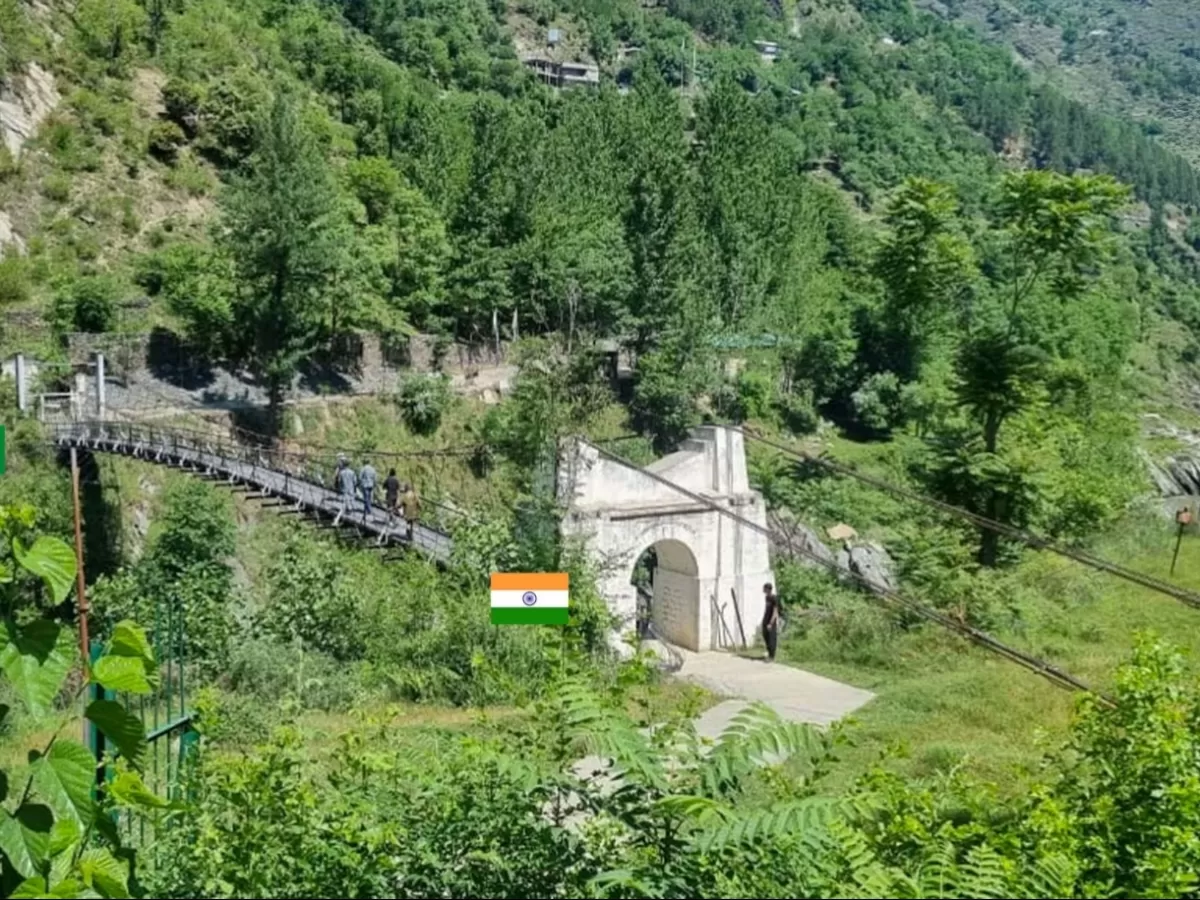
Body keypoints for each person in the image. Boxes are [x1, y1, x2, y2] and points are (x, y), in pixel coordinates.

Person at [761, 582, 780, 662]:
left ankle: (772, 656)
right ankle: (768, 653)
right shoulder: (767, 598)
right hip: (766, 620)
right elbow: (767, 610)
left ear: (768, 589)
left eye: (764, 588)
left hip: (771, 622)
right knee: (765, 636)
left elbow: (775, 612)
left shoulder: (774, 598)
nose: (763, 590)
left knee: (771, 639)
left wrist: (771, 623)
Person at [335, 458, 357, 526]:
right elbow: (355, 481)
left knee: (345, 499)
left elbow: (339, 481)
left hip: (344, 488)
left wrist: (339, 486)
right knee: (351, 499)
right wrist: (355, 487)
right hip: (351, 488)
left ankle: (347, 509)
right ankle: (350, 510)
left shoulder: (341, 472)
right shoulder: (352, 472)